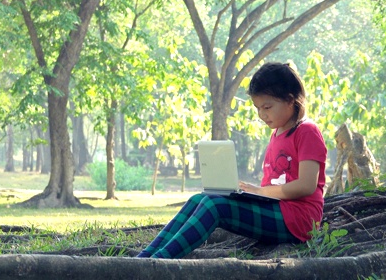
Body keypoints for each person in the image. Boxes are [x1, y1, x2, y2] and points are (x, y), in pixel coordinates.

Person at [136, 62, 327, 259]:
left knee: (214, 205)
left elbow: (306, 185)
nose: (262, 115)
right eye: (258, 108)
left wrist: (261, 192)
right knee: (199, 199)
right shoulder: (277, 133)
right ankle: (144, 257)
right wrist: (253, 193)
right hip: (277, 209)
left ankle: (159, 261)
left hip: (300, 221)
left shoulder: (307, 131)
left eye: (267, 107)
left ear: (289, 100)